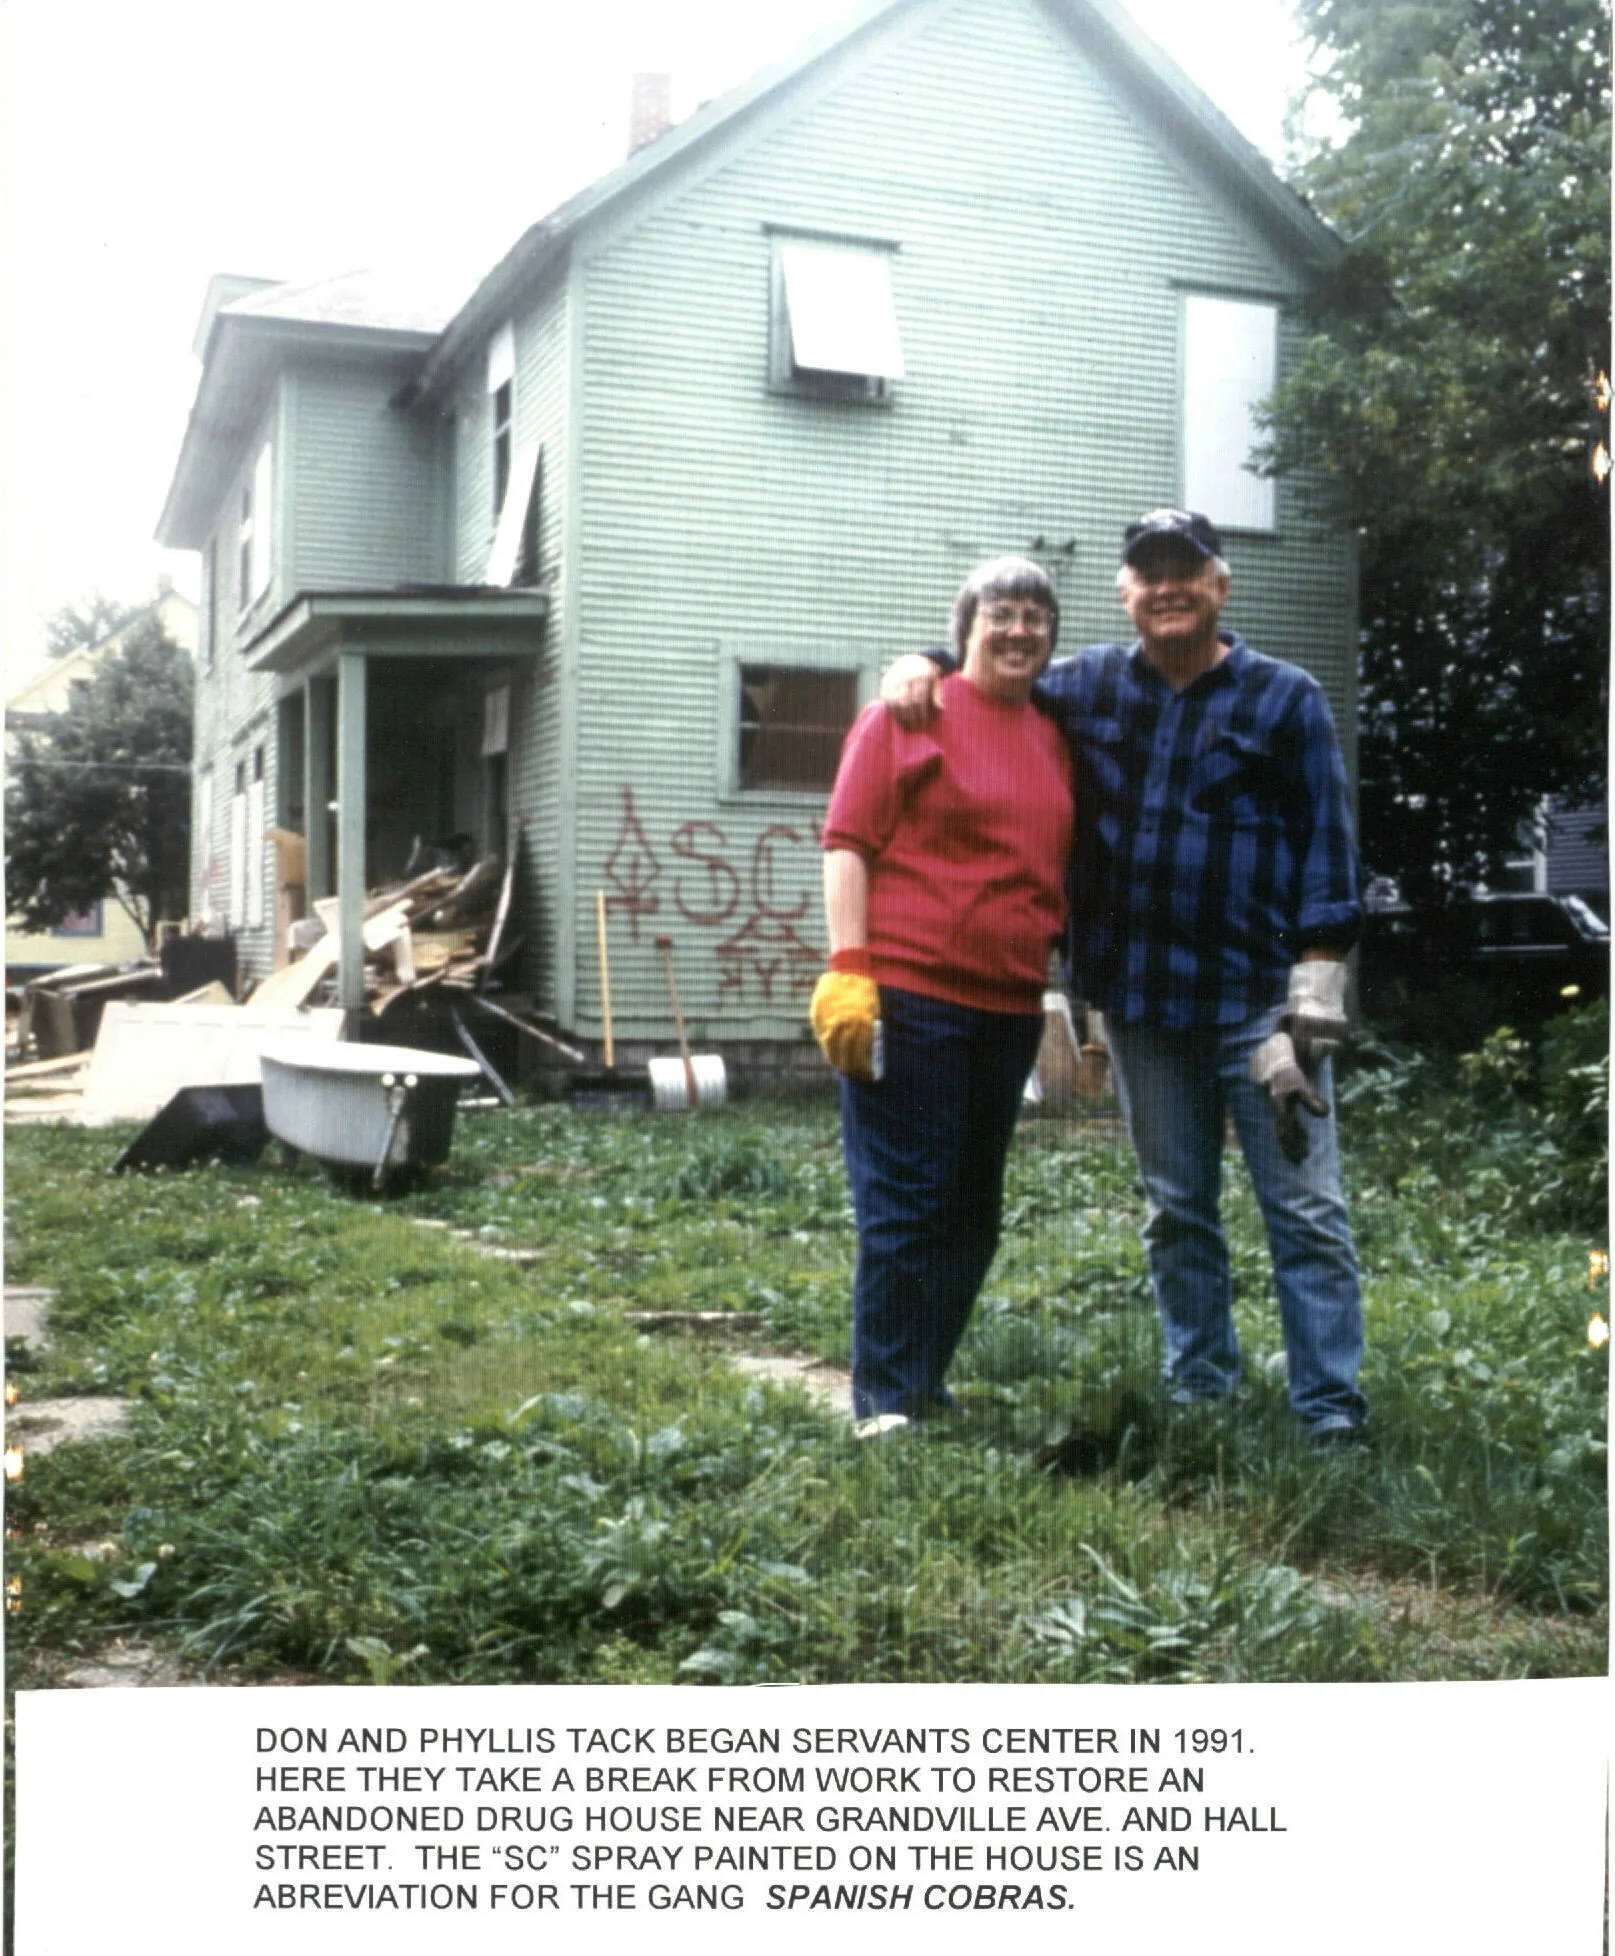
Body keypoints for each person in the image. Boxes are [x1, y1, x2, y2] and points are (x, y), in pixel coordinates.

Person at [881, 510, 1368, 1448]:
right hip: (1140, 1004)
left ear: (1220, 585)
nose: (1167, 587)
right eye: (1148, 574)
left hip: (1262, 1010)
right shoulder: (1087, 686)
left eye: (1186, 570)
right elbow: (994, 675)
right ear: (1125, 594)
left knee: (1305, 1212)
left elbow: (1326, 845)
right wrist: (926, 662)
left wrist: (1316, 979)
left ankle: (1329, 1415)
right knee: (1175, 1210)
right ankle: (1201, 1393)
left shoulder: (1284, 698)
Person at [810, 557, 1074, 1438]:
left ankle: (920, 1379)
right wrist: (848, 967)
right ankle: (882, 1404)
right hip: (913, 994)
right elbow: (847, 840)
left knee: (971, 1209)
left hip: (1007, 1006)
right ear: (966, 626)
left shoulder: (1052, 731)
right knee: (908, 1200)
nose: (1019, 629)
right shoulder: (907, 713)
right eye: (1001, 612)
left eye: (1037, 615)